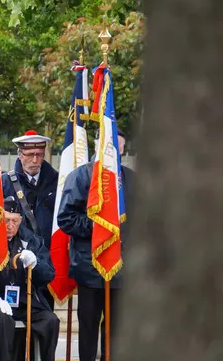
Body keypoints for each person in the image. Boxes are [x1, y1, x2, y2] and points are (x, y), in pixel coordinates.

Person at [57, 129, 134, 361]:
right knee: (89, 328)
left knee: (116, 330)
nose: (115, 152)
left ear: (123, 150)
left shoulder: (131, 179)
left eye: (118, 148)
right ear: (99, 145)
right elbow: (66, 219)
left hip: (122, 268)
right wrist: (100, 227)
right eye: (110, 147)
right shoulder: (82, 176)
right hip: (89, 267)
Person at [0, 196, 60, 361]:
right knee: (3, 320)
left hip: (24, 302)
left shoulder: (31, 241)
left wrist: (35, 264)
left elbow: (49, 275)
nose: (10, 226)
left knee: (50, 320)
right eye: (6, 220)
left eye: (15, 221)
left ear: (21, 220)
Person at [2, 130, 58, 310]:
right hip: (15, 255)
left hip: (46, 255)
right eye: (30, 155)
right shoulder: (5, 182)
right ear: (20, 154)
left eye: (39, 155)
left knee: (45, 311)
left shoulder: (57, 181)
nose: (35, 160)